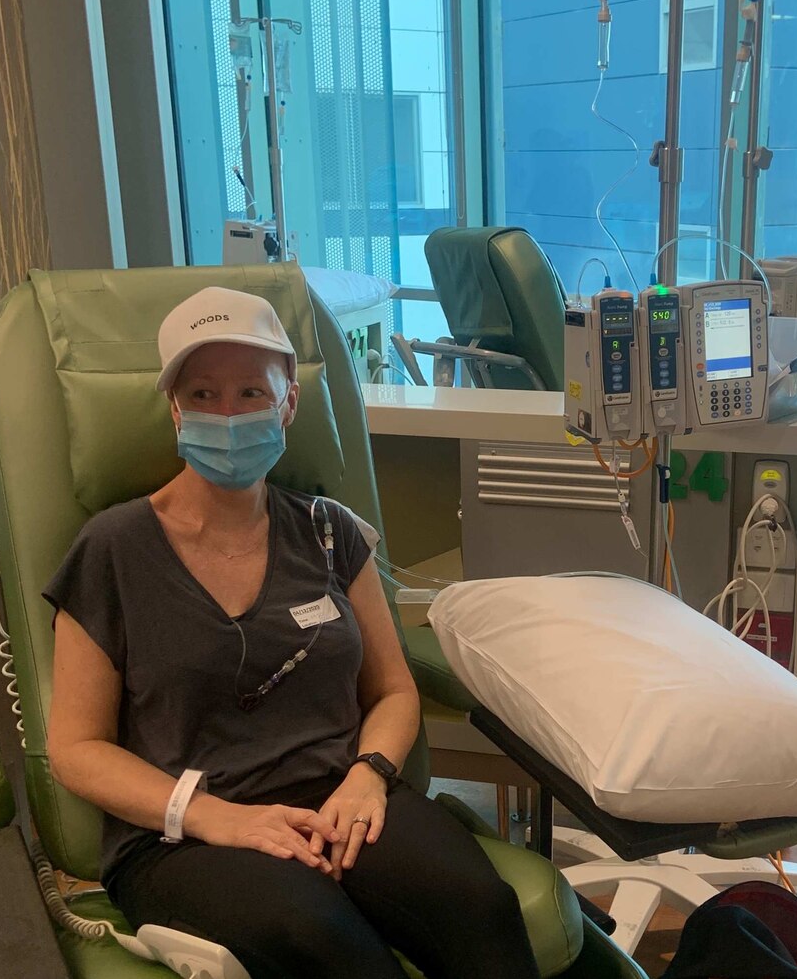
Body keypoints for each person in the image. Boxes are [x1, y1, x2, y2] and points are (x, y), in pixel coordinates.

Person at [45, 286, 540, 979]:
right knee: (320, 936)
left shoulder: (328, 532)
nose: (228, 412)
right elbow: (75, 748)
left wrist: (368, 777)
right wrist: (216, 815)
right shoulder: (113, 549)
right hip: (185, 836)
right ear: (175, 409)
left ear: (289, 404)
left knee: (480, 906)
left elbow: (394, 691)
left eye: (252, 391)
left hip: (342, 795)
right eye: (204, 392)